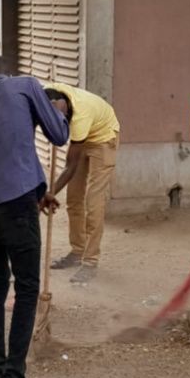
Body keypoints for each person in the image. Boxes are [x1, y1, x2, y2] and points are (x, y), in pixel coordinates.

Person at [0, 56, 69, 378]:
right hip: (16, 205)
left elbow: (2, 155)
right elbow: (59, 134)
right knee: (27, 289)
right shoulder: (26, 85)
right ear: (7, 73)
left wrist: (38, 192)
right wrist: (57, 111)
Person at [42, 83, 120, 284]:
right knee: (73, 199)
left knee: (92, 203)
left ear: (59, 103)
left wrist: (50, 193)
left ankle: (90, 262)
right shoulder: (49, 93)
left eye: (58, 115)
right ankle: (77, 252)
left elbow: (70, 166)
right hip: (84, 137)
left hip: (103, 138)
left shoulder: (80, 116)